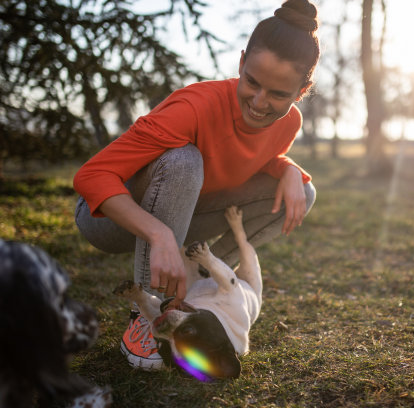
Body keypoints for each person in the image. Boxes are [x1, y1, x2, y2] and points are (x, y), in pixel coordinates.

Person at [73, 0, 320, 371]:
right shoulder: (195, 106)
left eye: (279, 95)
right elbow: (91, 177)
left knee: (305, 191)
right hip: (110, 217)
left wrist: (287, 169)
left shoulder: (288, 123)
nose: (259, 102)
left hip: (187, 215)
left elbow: (249, 156)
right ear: (240, 63)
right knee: (184, 160)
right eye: (251, 82)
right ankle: (145, 318)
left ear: (302, 90)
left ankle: (199, 290)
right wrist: (159, 234)